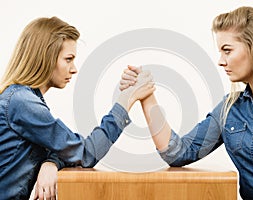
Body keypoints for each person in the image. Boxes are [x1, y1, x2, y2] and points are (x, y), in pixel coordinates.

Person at [120, 6, 253, 200]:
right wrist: (146, 95)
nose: (221, 61)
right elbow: (178, 153)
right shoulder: (229, 109)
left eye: (227, 51)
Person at [0, 16, 155, 200]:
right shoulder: (23, 103)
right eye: (68, 59)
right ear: (46, 58)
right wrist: (126, 100)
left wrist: (51, 163)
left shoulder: (19, 98)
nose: (74, 69)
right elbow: (85, 153)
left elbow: (62, 149)